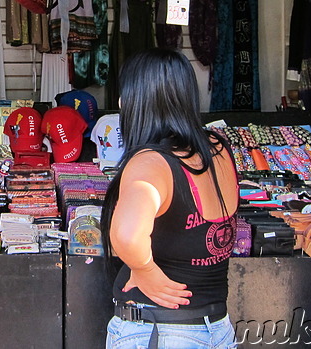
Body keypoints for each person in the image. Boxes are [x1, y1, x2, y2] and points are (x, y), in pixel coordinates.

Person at [101, 49, 239, 349]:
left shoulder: (150, 163)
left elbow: (125, 234)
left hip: (159, 332)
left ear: (136, 101)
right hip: (216, 328)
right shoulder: (217, 147)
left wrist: (145, 269)